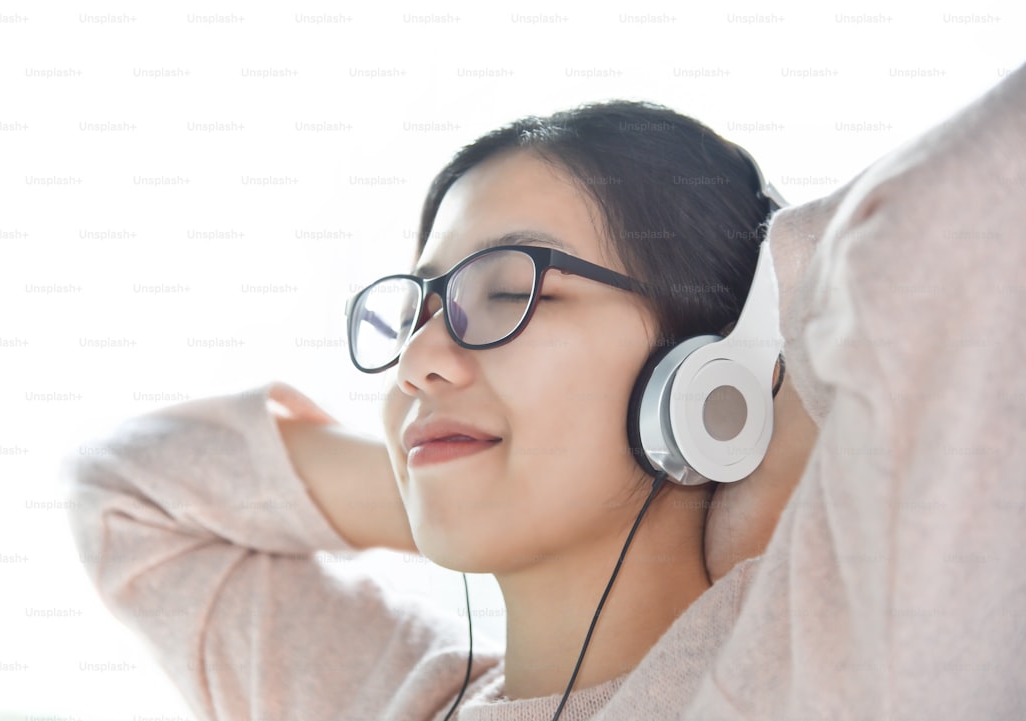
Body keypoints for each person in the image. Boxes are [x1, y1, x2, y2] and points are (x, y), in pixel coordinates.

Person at [65, 62, 1026, 721]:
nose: (419, 360)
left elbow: (946, 229)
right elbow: (126, 490)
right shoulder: (393, 694)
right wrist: (442, 476)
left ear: (701, 377)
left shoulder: (817, 657)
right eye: (419, 309)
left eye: (509, 291)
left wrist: (762, 454)